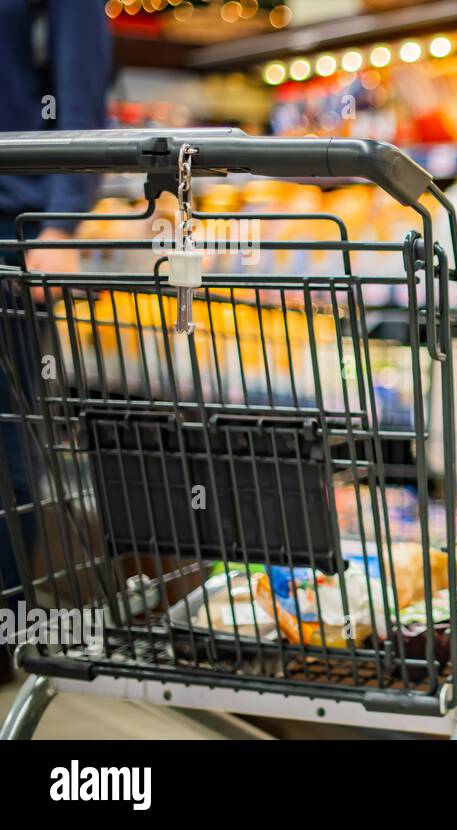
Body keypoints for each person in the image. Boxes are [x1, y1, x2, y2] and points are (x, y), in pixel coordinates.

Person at [0, 0, 113, 684]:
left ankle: (3, 633)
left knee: (7, 439)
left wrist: (65, 222)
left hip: (13, 227)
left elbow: (80, 80)